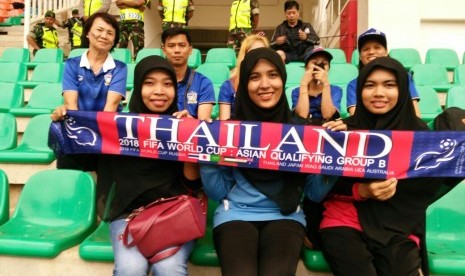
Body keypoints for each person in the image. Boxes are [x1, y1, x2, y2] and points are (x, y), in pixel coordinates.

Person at [200, 48, 337, 276]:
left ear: (282, 80)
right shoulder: (228, 131)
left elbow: (314, 193)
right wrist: (206, 155)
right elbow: (217, 192)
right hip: (234, 214)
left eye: (273, 75)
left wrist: (336, 161)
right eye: (254, 77)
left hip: (287, 217)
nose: (265, 84)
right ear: (244, 84)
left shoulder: (303, 132)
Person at [320, 57, 462, 276]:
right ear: (359, 90)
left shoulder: (420, 136)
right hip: (345, 220)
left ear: (403, 89)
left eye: (389, 85)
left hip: (400, 226)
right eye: (370, 85)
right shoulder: (343, 131)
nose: (378, 92)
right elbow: (322, 186)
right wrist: (362, 190)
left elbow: (427, 188)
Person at [96, 55, 201, 276]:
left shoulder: (182, 125)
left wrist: (190, 136)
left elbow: (191, 182)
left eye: (167, 83)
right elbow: (75, 156)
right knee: (130, 268)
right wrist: (63, 121)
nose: (159, 91)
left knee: (169, 267)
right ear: (138, 87)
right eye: (149, 83)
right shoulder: (118, 128)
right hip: (128, 217)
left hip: (175, 214)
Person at [51, 12, 127, 171]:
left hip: (105, 134)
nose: (104, 36)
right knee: (70, 179)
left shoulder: (120, 68)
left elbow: (110, 108)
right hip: (76, 132)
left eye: (110, 33)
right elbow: (71, 105)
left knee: (103, 188)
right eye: (99, 30)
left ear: (114, 40)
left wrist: (95, 140)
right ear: (87, 32)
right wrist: (82, 136)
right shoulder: (72, 64)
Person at [346, 28, 421, 117]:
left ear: (386, 52)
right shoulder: (353, 84)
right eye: (366, 49)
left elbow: (415, 115)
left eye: (377, 47)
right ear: (360, 57)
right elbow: (355, 118)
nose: (371, 52)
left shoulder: (404, 77)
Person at [161, 28, 215, 120]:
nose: (177, 50)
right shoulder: (153, 80)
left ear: (190, 50)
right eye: (171, 46)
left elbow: (203, 123)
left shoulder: (204, 83)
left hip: (190, 132)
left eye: (182, 45)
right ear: (164, 50)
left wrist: (189, 121)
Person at [218, 34, 269, 120]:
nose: (258, 56)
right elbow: (224, 125)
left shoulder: (271, 85)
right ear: (244, 56)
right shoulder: (228, 86)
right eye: (253, 52)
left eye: (263, 51)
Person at [292, 47, 342, 125]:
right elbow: (302, 115)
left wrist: (326, 84)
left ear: (328, 69)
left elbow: (327, 115)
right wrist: (304, 84)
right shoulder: (296, 91)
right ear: (306, 67)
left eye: (324, 64)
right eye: (314, 63)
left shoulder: (336, 90)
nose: (319, 67)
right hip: (305, 130)